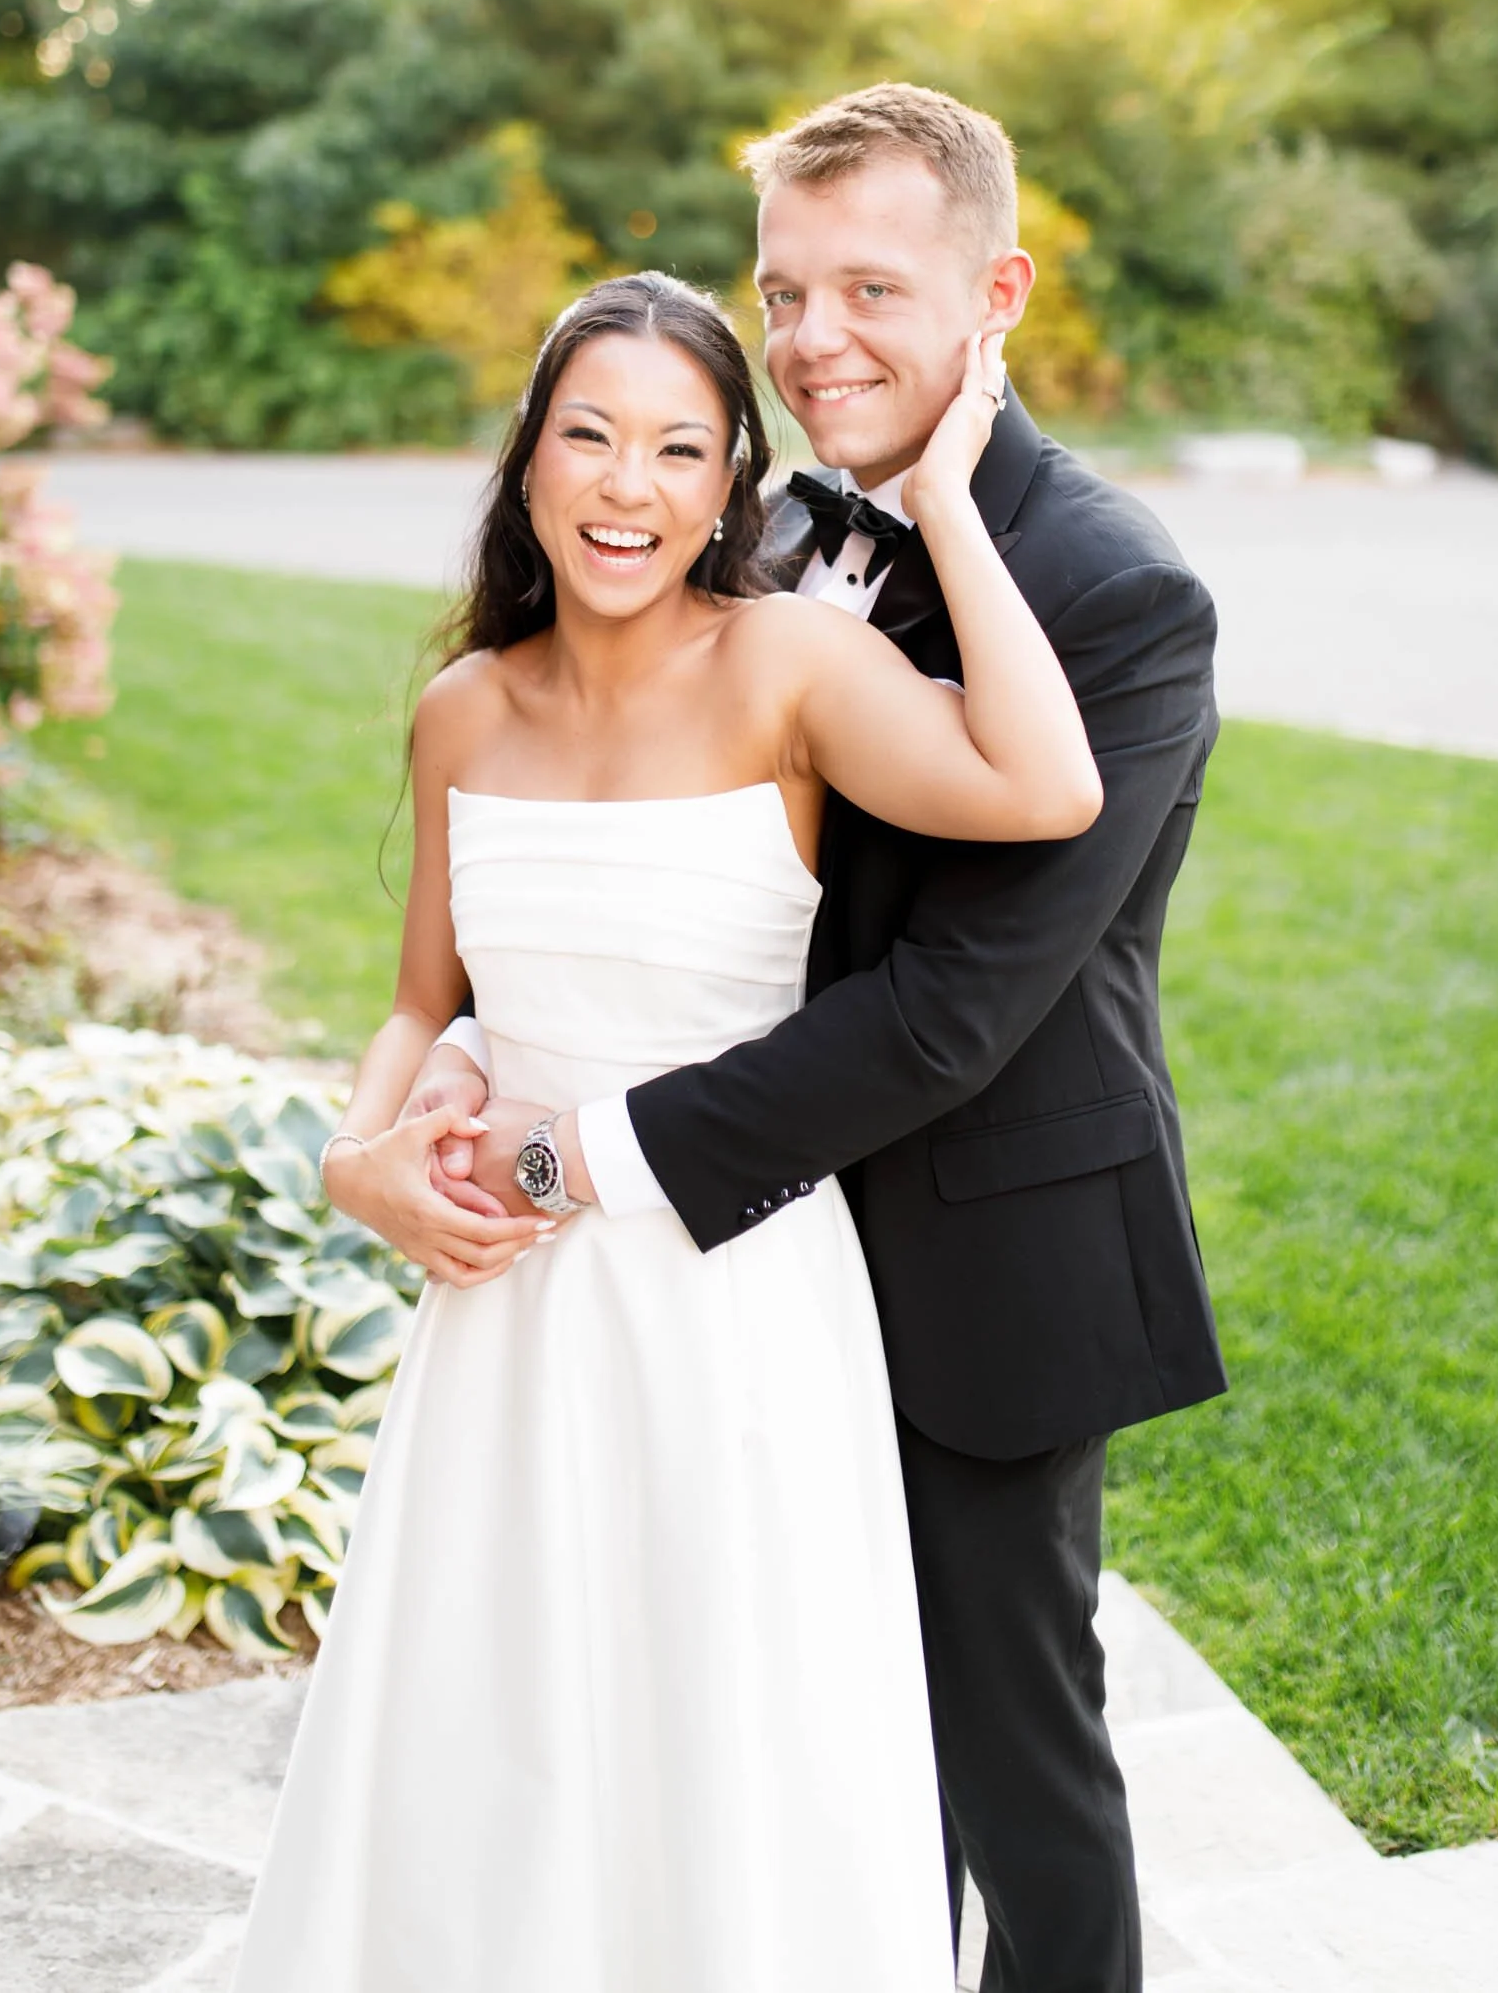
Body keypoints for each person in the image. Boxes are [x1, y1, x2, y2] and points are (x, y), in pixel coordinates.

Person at [418, 85, 1228, 1993]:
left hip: (977, 1251)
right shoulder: (760, 526)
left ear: (996, 291)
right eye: (785, 294)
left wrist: (584, 1156)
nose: (812, 341)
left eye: (871, 288)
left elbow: (953, 1008)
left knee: (1008, 1771)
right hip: (748, 1283)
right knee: (799, 1756)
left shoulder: (1119, 594)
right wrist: (473, 1069)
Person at [231, 261, 1104, 1993]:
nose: (626, 487)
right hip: (507, 1318)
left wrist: (947, 504)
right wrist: (361, 1155)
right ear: (531, 461)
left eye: (678, 451)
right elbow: (427, 1003)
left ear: (728, 491)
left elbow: (1045, 785)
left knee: (731, 1739)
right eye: (590, 437)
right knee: (501, 1738)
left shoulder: (789, 663)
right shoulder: (462, 708)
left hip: (736, 1301)